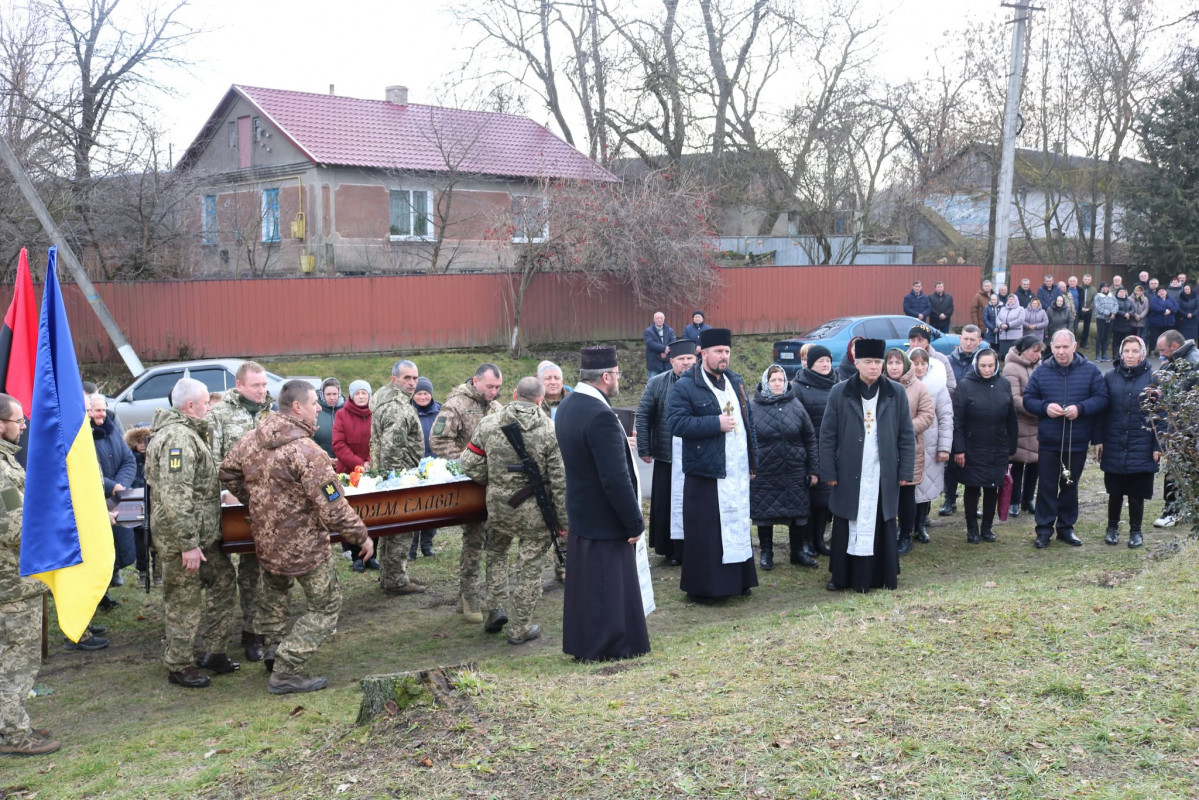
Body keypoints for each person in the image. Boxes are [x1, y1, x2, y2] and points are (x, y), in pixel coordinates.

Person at [220, 380, 374, 694]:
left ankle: (274, 650)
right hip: (306, 547)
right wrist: (361, 536)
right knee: (326, 606)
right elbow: (333, 504)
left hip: (267, 540)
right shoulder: (307, 452)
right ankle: (287, 668)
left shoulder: (251, 440)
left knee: (274, 596)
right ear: (297, 408)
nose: (319, 408)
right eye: (314, 403)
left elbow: (228, 471)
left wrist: (256, 503)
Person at [555, 345, 650, 662]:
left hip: (582, 512)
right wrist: (634, 521)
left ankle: (586, 643)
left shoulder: (569, 406)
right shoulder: (601, 416)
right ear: (607, 376)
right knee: (608, 590)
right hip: (605, 518)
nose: (619, 378)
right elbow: (614, 478)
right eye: (618, 373)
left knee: (588, 589)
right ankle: (610, 646)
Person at [145, 378, 239, 689]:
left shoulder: (190, 433)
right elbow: (175, 493)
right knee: (183, 600)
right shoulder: (178, 439)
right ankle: (179, 664)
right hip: (182, 540)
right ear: (190, 407)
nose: (210, 407)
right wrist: (187, 544)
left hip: (204, 535)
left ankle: (213, 651)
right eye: (206, 403)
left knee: (224, 582)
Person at [460, 376, 567, 644]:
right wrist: (563, 521)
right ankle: (520, 628)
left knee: (496, 553)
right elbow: (559, 481)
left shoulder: (490, 422)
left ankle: (496, 607)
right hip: (536, 513)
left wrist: (495, 481)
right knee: (530, 568)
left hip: (499, 508)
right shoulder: (550, 430)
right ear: (541, 399)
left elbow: (469, 464)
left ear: (514, 393)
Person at [668, 328, 758, 602]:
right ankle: (706, 589)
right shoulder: (686, 385)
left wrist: (753, 461)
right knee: (708, 532)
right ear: (703, 353)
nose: (724, 357)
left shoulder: (735, 380)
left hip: (736, 469)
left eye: (727, 352)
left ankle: (739, 582)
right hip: (706, 470)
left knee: (737, 524)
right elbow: (676, 423)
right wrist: (714, 423)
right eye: (718, 351)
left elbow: (747, 422)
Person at [820, 338, 915, 593]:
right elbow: (827, 434)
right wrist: (828, 470)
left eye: (878, 362)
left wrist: (905, 470)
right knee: (846, 518)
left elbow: (906, 434)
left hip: (882, 470)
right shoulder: (840, 392)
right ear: (857, 363)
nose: (874, 367)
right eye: (868, 362)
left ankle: (881, 575)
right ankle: (842, 575)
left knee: (880, 519)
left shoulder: (896, 392)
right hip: (849, 469)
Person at [0, 394, 60, 756]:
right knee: (15, 663)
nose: (23, 426)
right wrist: (55, 526)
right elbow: (15, 530)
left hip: (14, 582)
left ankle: (12, 721)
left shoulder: (7, 463)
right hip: (12, 586)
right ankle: (12, 734)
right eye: (17, 420)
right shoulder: (2, 472)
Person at [206, 361, 273, 662]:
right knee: (229, 572)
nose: (262, 390)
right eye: (256, 385)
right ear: (239, 385)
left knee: (257, 570)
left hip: (269, 504)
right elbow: (211, 462)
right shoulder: (219, 414)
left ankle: (254, 632)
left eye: (264, 385)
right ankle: (217, 637)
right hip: (232, 505)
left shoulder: (272, 413)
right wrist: (225, 494)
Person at [430, 363, 503, 619]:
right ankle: (469, 595)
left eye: (497, 387)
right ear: (476, 381)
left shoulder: (495, 407)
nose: (494, 391)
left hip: (494, 484)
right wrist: (465, 462)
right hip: (470, 483)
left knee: (492, 540)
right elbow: (438, 439)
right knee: (473, 540)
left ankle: (480, 595)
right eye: (490, 386)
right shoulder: (457, 404)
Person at [1023, 331, 1109, 548]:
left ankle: (1066, 528)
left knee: (1070, 485)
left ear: (1074, 346)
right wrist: (1044, 408)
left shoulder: (1090, 371)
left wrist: (1080, 409)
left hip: (1077, 440)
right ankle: (1043, 530)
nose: (1061, 351)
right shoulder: (1041, 371)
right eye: (1057, 347)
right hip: (1049, 441)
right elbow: (1028, 400)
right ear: (1051, 347)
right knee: (1047, 486)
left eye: (1065, 347)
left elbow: (1102, 399)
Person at [749, 365, 819, 569]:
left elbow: (810, 438)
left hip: (794, 469)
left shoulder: (796, 405)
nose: (778, 384)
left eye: (781, 380)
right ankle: (766, 553)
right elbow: (747, 442)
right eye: (773, 380)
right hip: (765, 471)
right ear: (765, 382)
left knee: (798, 513)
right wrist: (750, 468)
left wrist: (813, 469)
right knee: (764, 514)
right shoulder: (753, 407)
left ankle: (797, 552)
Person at [635, 338, 697, 566]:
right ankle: (670, 549)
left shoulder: (704, 383)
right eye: (681, 359)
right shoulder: (657, 383)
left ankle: (695, 545)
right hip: (667, 456)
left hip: (696, 458)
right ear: (672, 361)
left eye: (690, 358)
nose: (687, 363)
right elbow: (643, 415)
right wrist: (644, 447)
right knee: (667, 505)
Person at [370, 359, 428, 596]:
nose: (412, 383)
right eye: (407, 378)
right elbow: (392, 448)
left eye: (415, 378)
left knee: (389, 528)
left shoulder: (386, 400)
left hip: (386, 474)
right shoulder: (398, 407)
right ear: (394, 379)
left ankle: (389, 573)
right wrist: (397, 482)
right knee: (401, 528)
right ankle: (395, 579)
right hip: (399, 475)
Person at [1097, 336, 1159, 549]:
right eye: (1126, 351)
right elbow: (1101, 412)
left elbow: (1161, 415)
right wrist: (1098, 440)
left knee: (1137, 491)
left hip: (1141, 442)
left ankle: (1136, 530)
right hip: (1114, 440)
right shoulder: (1110, 377)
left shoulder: (1154, 378)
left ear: (1142, 353)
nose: (1130, 355)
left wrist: (1158, 445)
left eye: (1134, 351)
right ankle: (1112, 527)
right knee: (1115, 489)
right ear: (1121, 353)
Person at [951, 349, 1017, 543]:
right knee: (972, 488)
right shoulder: (964, 386)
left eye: (991, 365)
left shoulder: (1004, 384)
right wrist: (959, 448)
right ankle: (972, 528)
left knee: (992, 488)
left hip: (998, 445)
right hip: (973, 446)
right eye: (983, 366)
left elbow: (1011, 418)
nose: (987, 370)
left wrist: (1011, 446)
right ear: (976, 365)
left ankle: (987, 528)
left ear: (996, 365)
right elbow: (957, 421)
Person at [885, 348, 934, 555]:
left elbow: (927, 415)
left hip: (908, 447)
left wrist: (904, 428)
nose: (894, 367)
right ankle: (887, 534)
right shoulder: (878, 385)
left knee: (906, 495)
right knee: (886, 494)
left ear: (905, 364)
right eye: (890, 363)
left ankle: (906, 535)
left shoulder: (919, 387)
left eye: (898, 362)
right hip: (884, 449)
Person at [790, 345, 837, 559]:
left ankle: (819, 540)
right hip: (808, 450)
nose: (825, 364)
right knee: (808, 500)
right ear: (810, 364)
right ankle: (805, 541)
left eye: (828, 360)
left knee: (825, 500)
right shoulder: (798, 387)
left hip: (832, 450)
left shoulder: (838, 383)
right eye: (820, 361)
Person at [1151, 329, 1199, 528]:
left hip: (1187, 426)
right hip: (1181, 424)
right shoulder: (1178, 359)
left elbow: (1180, 389)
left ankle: (1172, 511)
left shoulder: (1192, 362)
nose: (1161, 354)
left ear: (1175, 346)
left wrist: (1164, 390)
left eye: (1163, 350)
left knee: (1177, 467)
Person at [333, 380, 378, 572]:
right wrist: (359, 464)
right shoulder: (342, 414)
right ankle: (355, 556)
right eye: (357, 393)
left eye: (364, 393)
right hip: (348, 471)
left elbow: (378, 440)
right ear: (351, 395)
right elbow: (338, 444)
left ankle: (372, 556)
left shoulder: (375, 414)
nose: (361, 396)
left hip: (372, 470)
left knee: (374, 513)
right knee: (352, 514)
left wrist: (370, 461)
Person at [910, 349, 951, 545]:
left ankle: (920, 525)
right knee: (908, 487)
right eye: (915, 363)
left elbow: (945, 417)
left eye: (922, 363)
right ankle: (905, 526)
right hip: (909, 443)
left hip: (930, 444)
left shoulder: (938, 387)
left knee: (926, 488)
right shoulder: (903, 384)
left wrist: (944, 446)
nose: (919, 367)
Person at [1003, 336, 1045, 518]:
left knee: (1035, 463)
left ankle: (1028, 498)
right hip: (1019, 423)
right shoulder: (1011, 367)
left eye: (1040, 351)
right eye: (1034, 351)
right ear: (1023, 350)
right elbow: (1014, 398)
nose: (1037, 355)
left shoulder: (1042, 367)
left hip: (1038, 424)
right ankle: (1014, 500)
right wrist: (1039, 410)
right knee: (1018, 463)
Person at [409, 377, 442, 560]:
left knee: (432, 507)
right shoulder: (409, 412)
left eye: (425, 393)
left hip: (435, 466)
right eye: (419, 393)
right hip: (414, 466)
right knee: (415, 508)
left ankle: (427, 544)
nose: (422, 397)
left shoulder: (440, 411)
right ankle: (411, 548)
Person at [125, 425, 161, 588]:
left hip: (155, 500)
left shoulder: (156, 457)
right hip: (136, 499)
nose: (142, 445)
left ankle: (158, 573)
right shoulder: (130, 458)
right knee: (140, 539)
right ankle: (142, 572)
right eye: (138, 441)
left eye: (145, 441)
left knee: (157, 539)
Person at [907, 325, 956, 394]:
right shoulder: (903, 360)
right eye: (912, 340)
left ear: (928, 342)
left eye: (920, 340)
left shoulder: (941, 359)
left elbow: (951, 386)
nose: (915, 344)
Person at [314, 378, 343, 458]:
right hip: (321, 459)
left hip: (344, 460)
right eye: (328, 394)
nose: (332, 397)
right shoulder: (316, 410)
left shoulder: (347, 410)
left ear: (339, 393)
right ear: (322, 394)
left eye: (334, 394)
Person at [642, 312, 677, 377]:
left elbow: (673, 342)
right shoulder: (648, 331)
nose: (659, 320)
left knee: (667, 384)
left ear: (664, 319)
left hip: (667, 363)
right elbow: (650, 343)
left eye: (661, 318)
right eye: (657, 318)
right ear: (654, 319)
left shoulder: (670, 330)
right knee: (653, 384)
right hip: (654, 362)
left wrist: (666, 352)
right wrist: (663, 349)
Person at [1148, 286, 1179, 352]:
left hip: (1169, 322)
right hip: (1156, 323)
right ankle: (1152, 350)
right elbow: (1153, 307)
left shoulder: (1171, 299)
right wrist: (1164, 310)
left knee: (1167, 338)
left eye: (1163, 291)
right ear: (1157, 293)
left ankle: (1166, 351)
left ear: (1166, 292)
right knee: (1154, 337)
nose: (1161, 292)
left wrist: (1170, 311)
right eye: (1160, 291)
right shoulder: (1154, 299)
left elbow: (1176, 306)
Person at [1092, 283, 1118, 362]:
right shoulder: (1097, 296)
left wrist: (1113, 313)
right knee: (1101, 336)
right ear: (1100, 288)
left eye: (1106, 287)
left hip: (1110, 319)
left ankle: (1104, 354)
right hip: (1101, 318)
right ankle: (1098, 355)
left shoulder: (1112, 296)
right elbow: (1098, 307)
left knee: (1107, 336)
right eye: (1103, 287)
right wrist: (1108, 313)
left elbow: (1116, 305)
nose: (1105, 289)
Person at [995, 293, 1025, 358]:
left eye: (1012, 299)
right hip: (1003, 336)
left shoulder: (1020, 309)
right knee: (1003, 355)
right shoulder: (1003, 309)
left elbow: (1020, 319)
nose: (1010, 300)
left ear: (1016, 300)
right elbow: (998, 318)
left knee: (1014, 355)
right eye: (1009, 299)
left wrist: (1009, 325)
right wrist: (1001, 325)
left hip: (1014, 337)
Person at [1077, 274, 1095, 349]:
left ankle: (1084, 343)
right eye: (1085, 279)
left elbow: (1094, 300)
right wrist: (1080, 308)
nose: (1087, 281)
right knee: (1075, 326)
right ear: (1083, 279)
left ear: (1090, 281)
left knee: (1086, 327)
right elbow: (1076, 298)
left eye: (1088, 279)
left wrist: (1089, 308)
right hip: (1079, 310)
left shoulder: (1093, 289)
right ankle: (1075, 342)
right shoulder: (1078, 288)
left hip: (1088, 310)